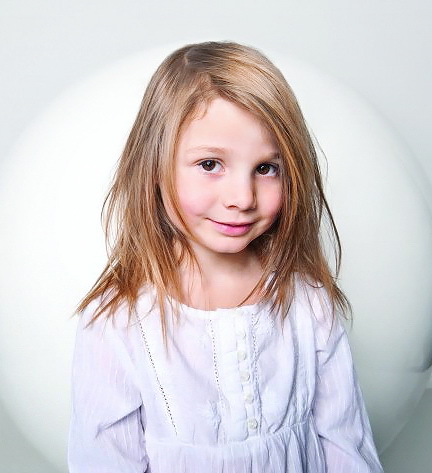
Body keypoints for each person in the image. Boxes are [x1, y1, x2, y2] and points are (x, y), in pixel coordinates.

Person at [68, 41, 383, 472]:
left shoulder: (308, 302)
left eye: (266, 168)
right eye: (210, 164)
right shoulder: (118, 321)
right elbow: (104, 460)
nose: (242, 198)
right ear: (154, 165)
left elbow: (346, 444)